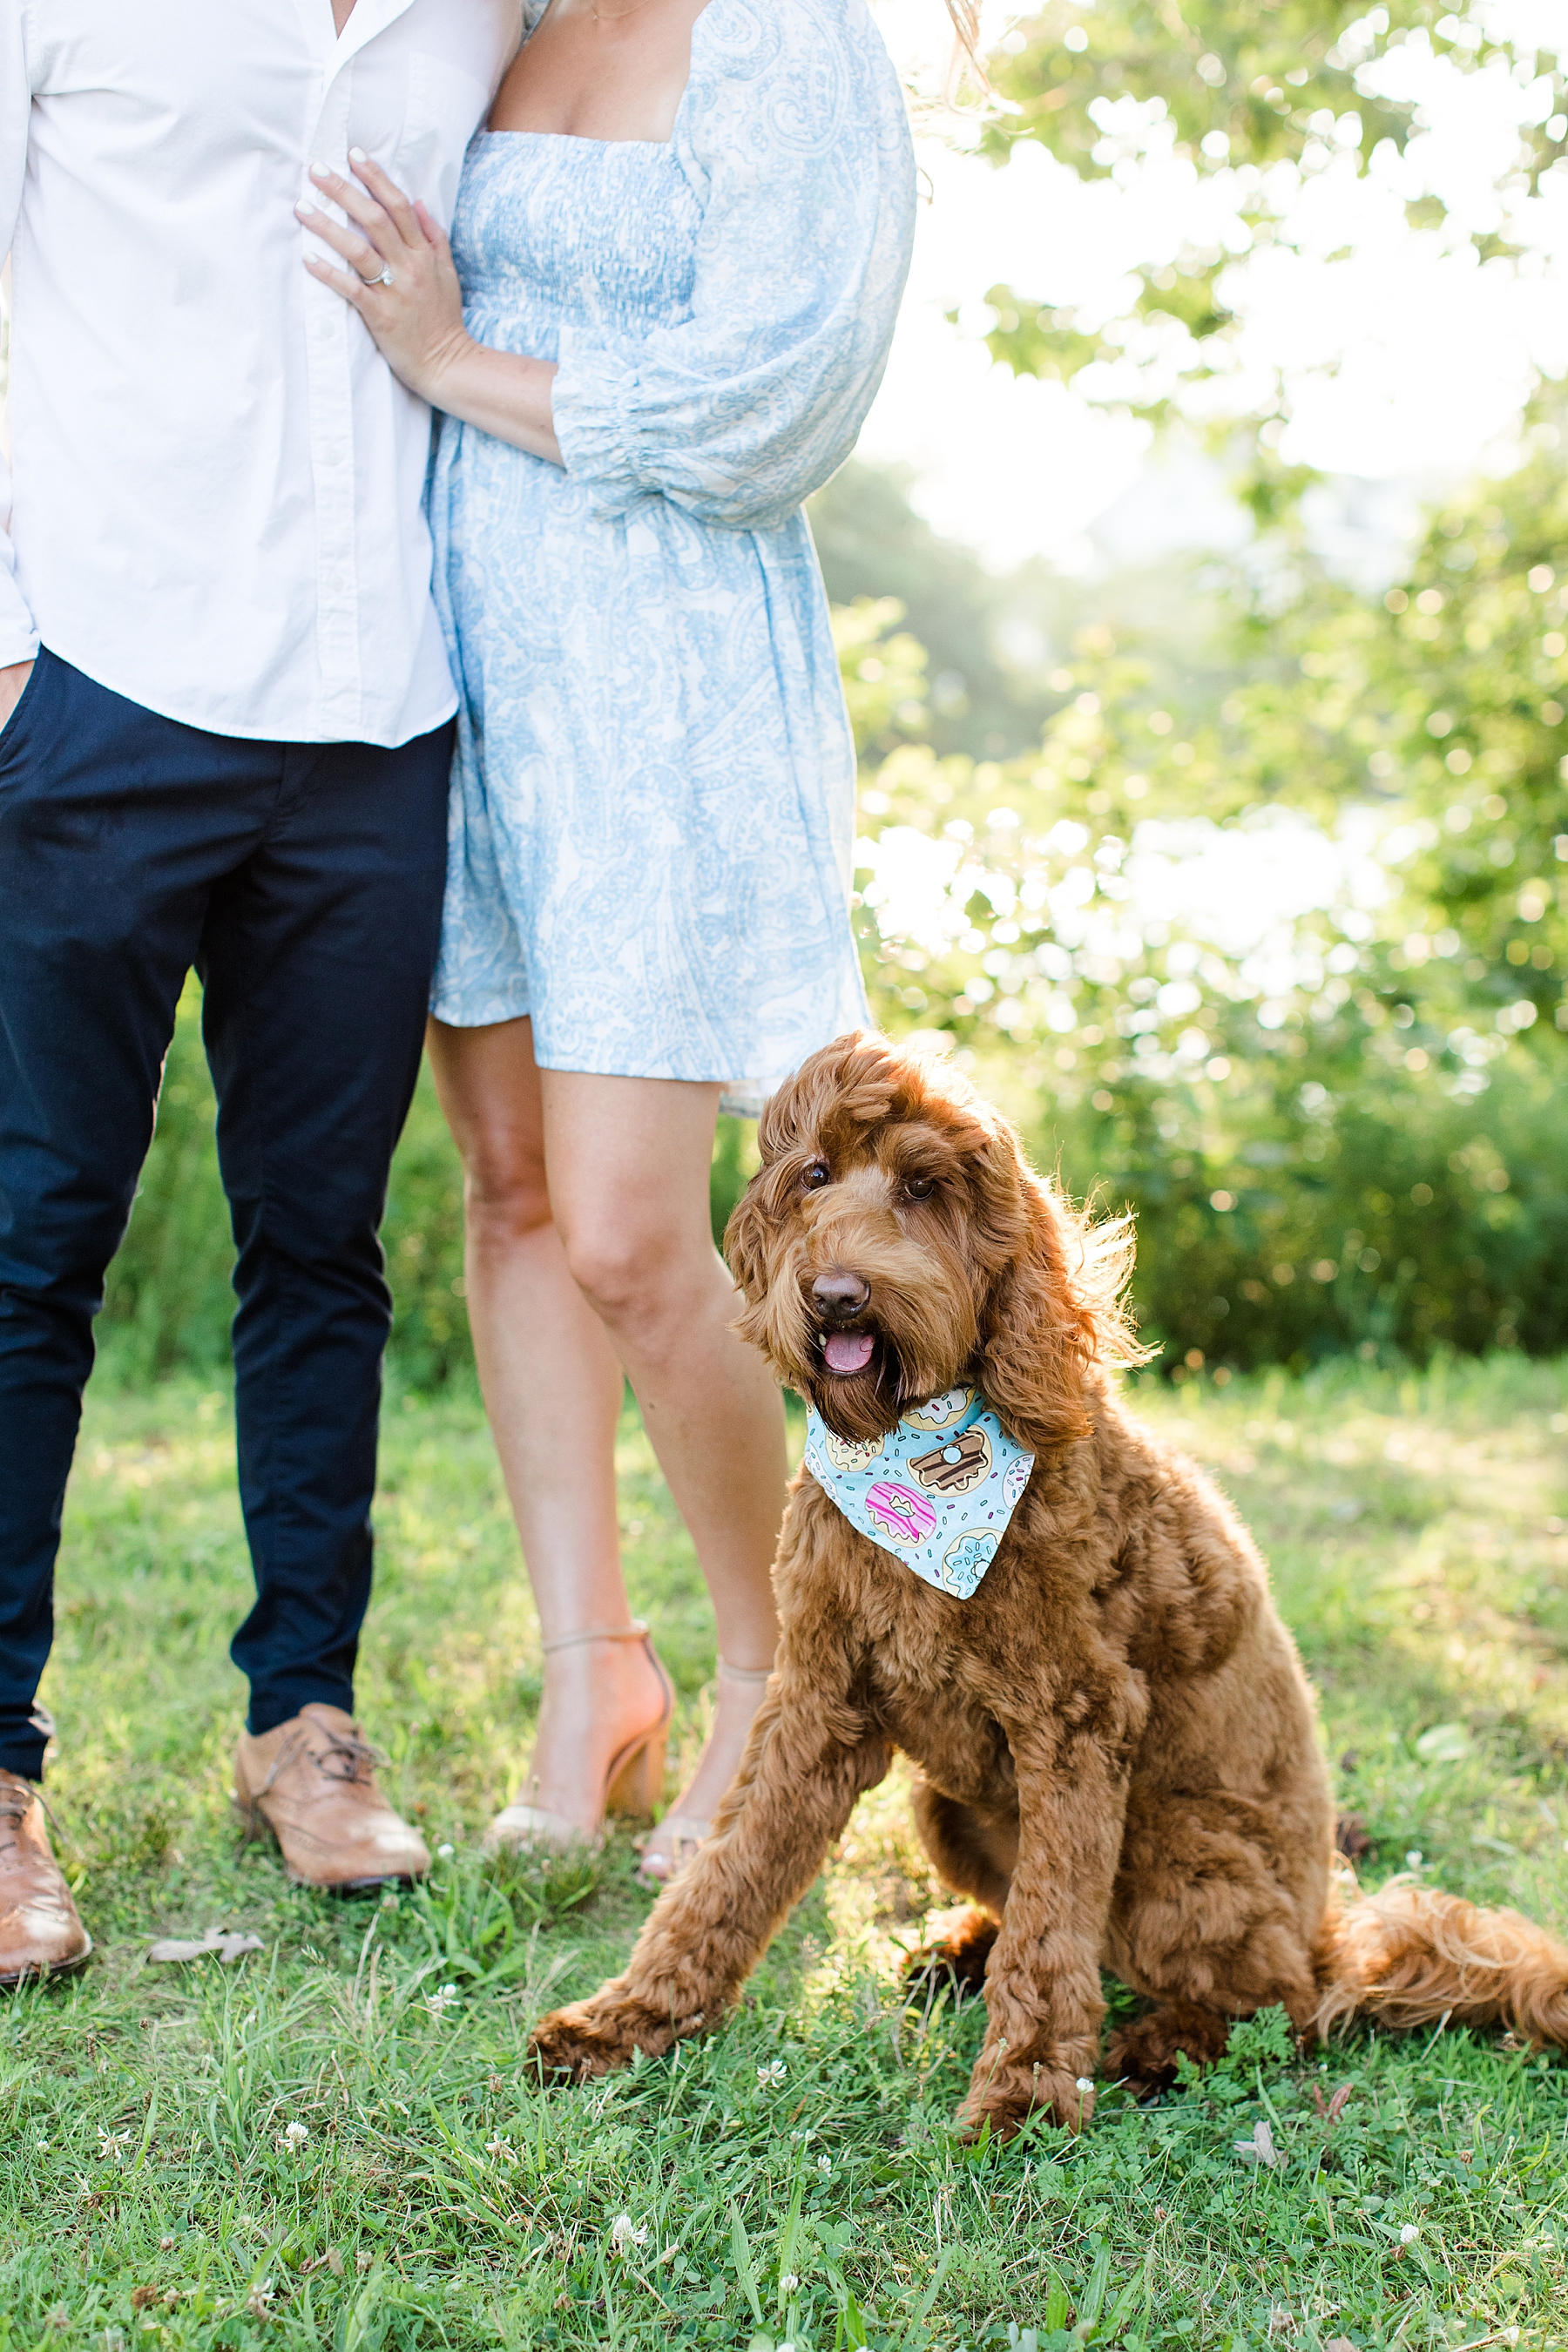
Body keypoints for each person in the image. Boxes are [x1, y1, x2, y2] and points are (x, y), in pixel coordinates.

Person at [297, 0, 916, 1875]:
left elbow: (778, 395)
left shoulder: (791, 38)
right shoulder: (498, 13)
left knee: (649, 1229)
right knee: (509, 1192)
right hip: (465, 663)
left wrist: (450, 356)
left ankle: (777, 1674)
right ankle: (597, 1671)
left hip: (664, 687)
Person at [0, 0, 519, 1984]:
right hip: (105, 691)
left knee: (322, 1245)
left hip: (376, 712)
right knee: (34, 1237)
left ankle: (305, 1720)